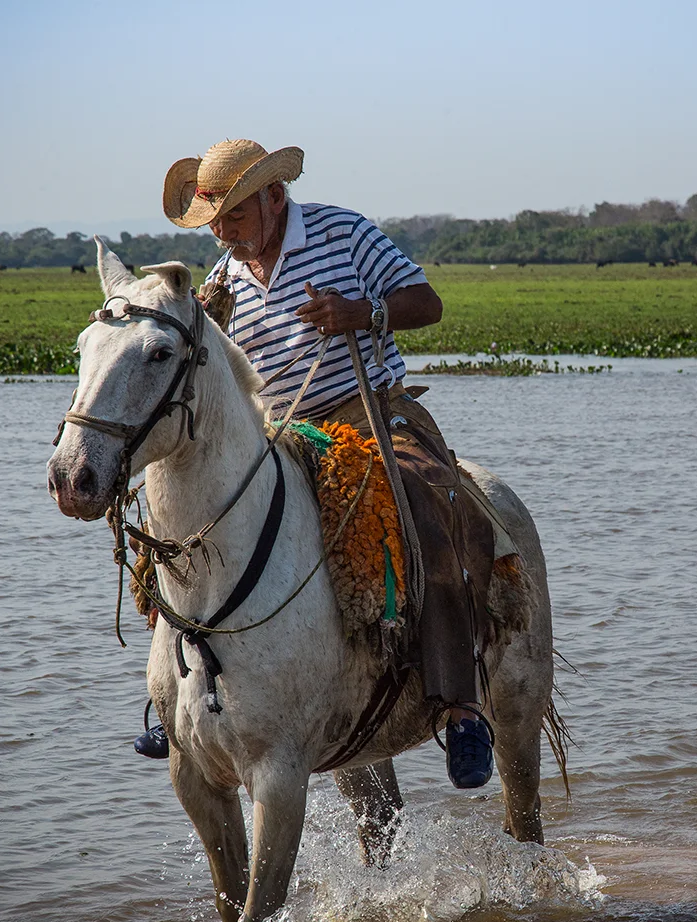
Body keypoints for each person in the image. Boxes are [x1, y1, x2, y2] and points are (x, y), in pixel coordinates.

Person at [133, 138, 494, 789]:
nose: (223, 231)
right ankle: (171, 693)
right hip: (278, 436)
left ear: (274, 197)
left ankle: (462, 706)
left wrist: (363, 314)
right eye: (214, 221)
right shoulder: (224, 280)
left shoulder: (344, 232)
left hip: (371, 414)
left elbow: (428, 302)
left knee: (430, 512)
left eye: (233, 216)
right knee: (176, 532)